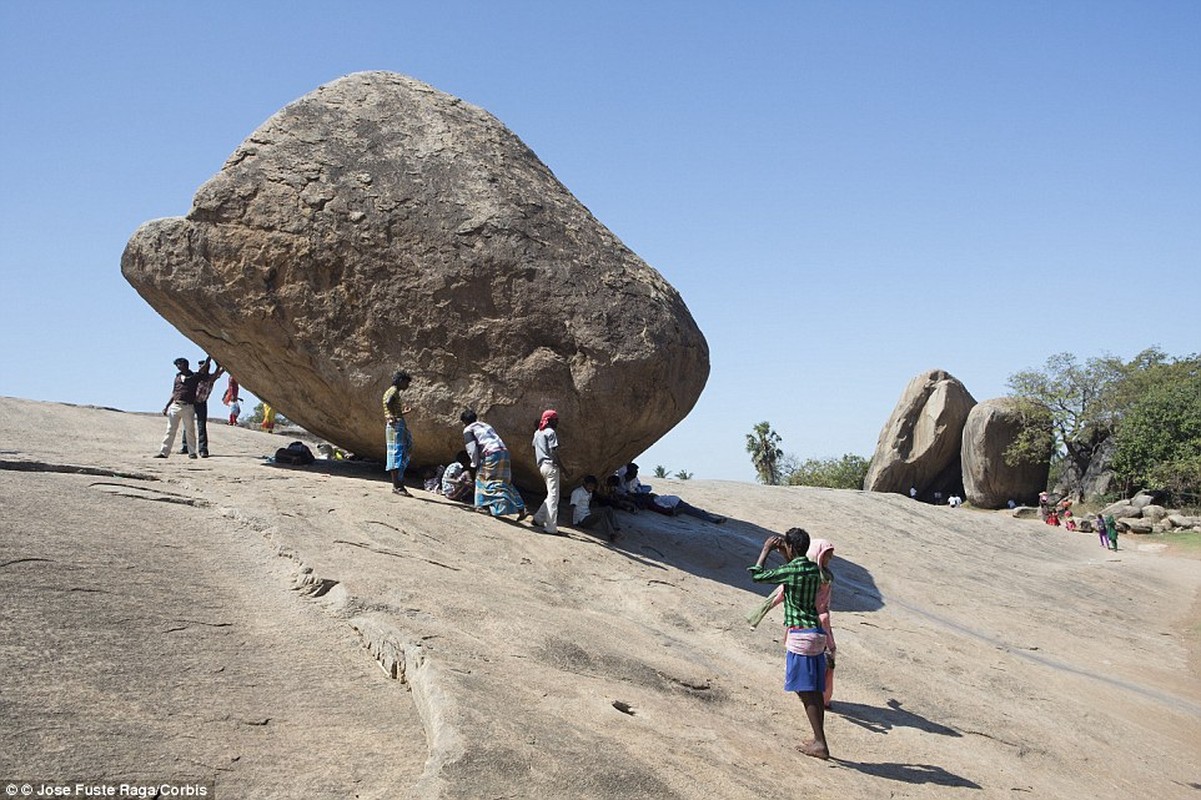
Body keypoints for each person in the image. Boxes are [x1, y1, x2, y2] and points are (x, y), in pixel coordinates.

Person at [749, 527, 830, 760]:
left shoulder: (790, 570)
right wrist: (787, 553)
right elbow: (795, 568)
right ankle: (818, 739)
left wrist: (765, 551)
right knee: (814, 690)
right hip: (816, 633)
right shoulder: (813, 570)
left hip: (800, 636)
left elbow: (757, 575)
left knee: (804, 691)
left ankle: (821, 744)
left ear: (791, 548)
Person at [461, 409, 526, 519]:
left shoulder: (468, 429)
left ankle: (482, 506)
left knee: (483, 479)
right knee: (504, 481)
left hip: (490, 454)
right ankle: (521, 507)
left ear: (464, 422)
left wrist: (474, 463)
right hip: (503, 452)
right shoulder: (485, 425)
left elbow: (471, 448)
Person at [156, 358, 202, 459]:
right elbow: (174, 392)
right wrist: (167, 406)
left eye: (179, 364)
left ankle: (192, 452)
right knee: (170, 429)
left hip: (188, 406)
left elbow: (205, 372)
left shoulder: (194, 376)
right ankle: (164, 452)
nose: (178, 366)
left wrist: (209, 359)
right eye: (177, 365)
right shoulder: (177, 377)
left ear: (185, 364)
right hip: (175, 405)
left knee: (190, 430)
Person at [181, 357, 224, 457]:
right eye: (201, 366)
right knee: (188, 425)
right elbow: (203, 370)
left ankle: (203, 449)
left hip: (202, 403)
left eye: (204, 366)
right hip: (192, 402)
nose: (202, 367)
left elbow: (219, 373)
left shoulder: (210, 377)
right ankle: (185, 446)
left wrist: (220, 365)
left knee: (201, 426)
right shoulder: (197, 375)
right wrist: (210, 357)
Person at [531, 410, 564, 534]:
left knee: (551, 495)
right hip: (551, 466)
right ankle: (551, 527)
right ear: (549, 420)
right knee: (554, 498)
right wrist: (563, 469)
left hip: (542, 466)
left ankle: (538, 518)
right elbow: (553, 452)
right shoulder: (551, 432)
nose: (557, 422)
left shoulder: (537, 433)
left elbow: (534, 447)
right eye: (555, 419)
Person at [383, 370, 414, 496]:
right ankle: (397, 486)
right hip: (396, 425)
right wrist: (392, 416)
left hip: (395, 424)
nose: (407, 386)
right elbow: (388, 402)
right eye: (406, 382)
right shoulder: (393, 391)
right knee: (396, 452)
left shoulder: (392, 391)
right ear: (400, 381)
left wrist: (402, 413)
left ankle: (398, 483)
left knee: (401, 450)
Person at [569, 475, 620, 540]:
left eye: (593, 486)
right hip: (581, 520)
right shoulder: (577, 492)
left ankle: (616, 528)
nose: (592, 488)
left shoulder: (589, 492)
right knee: (601, 514)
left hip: (587, 514)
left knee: (608, 508)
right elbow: (572, 507)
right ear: (584, 484)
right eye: (590, 485)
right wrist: (571, 524)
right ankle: (611, 534)